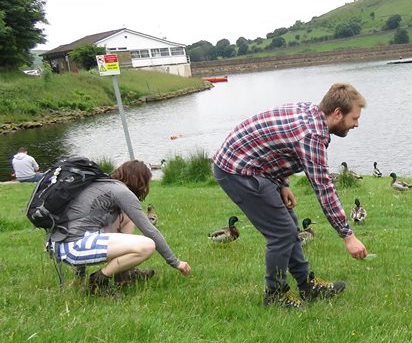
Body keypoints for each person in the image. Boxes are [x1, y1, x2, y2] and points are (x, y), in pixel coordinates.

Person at [212, 82, 368, 308]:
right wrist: (348, 236)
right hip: (237, 170)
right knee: (282, 233)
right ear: (337, 113)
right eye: (354, 118)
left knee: (289, 225)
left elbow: (275, 145)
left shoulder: (312, 112)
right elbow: (324, 189)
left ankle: (307, 286)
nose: (356, 124)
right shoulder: (312, 135)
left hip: (254, 166)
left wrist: (283, 182)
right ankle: (275, 295)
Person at [47, 160, 191, 293]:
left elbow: (80, 226)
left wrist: (79, 277)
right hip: (72, 247)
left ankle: (124, 274)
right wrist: (175, 262)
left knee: (127, 218)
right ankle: (98, 281)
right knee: (147, 246)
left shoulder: (103, 185)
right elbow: (149, 230)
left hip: (60, 244)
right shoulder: (122, 192)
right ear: (139, 181)